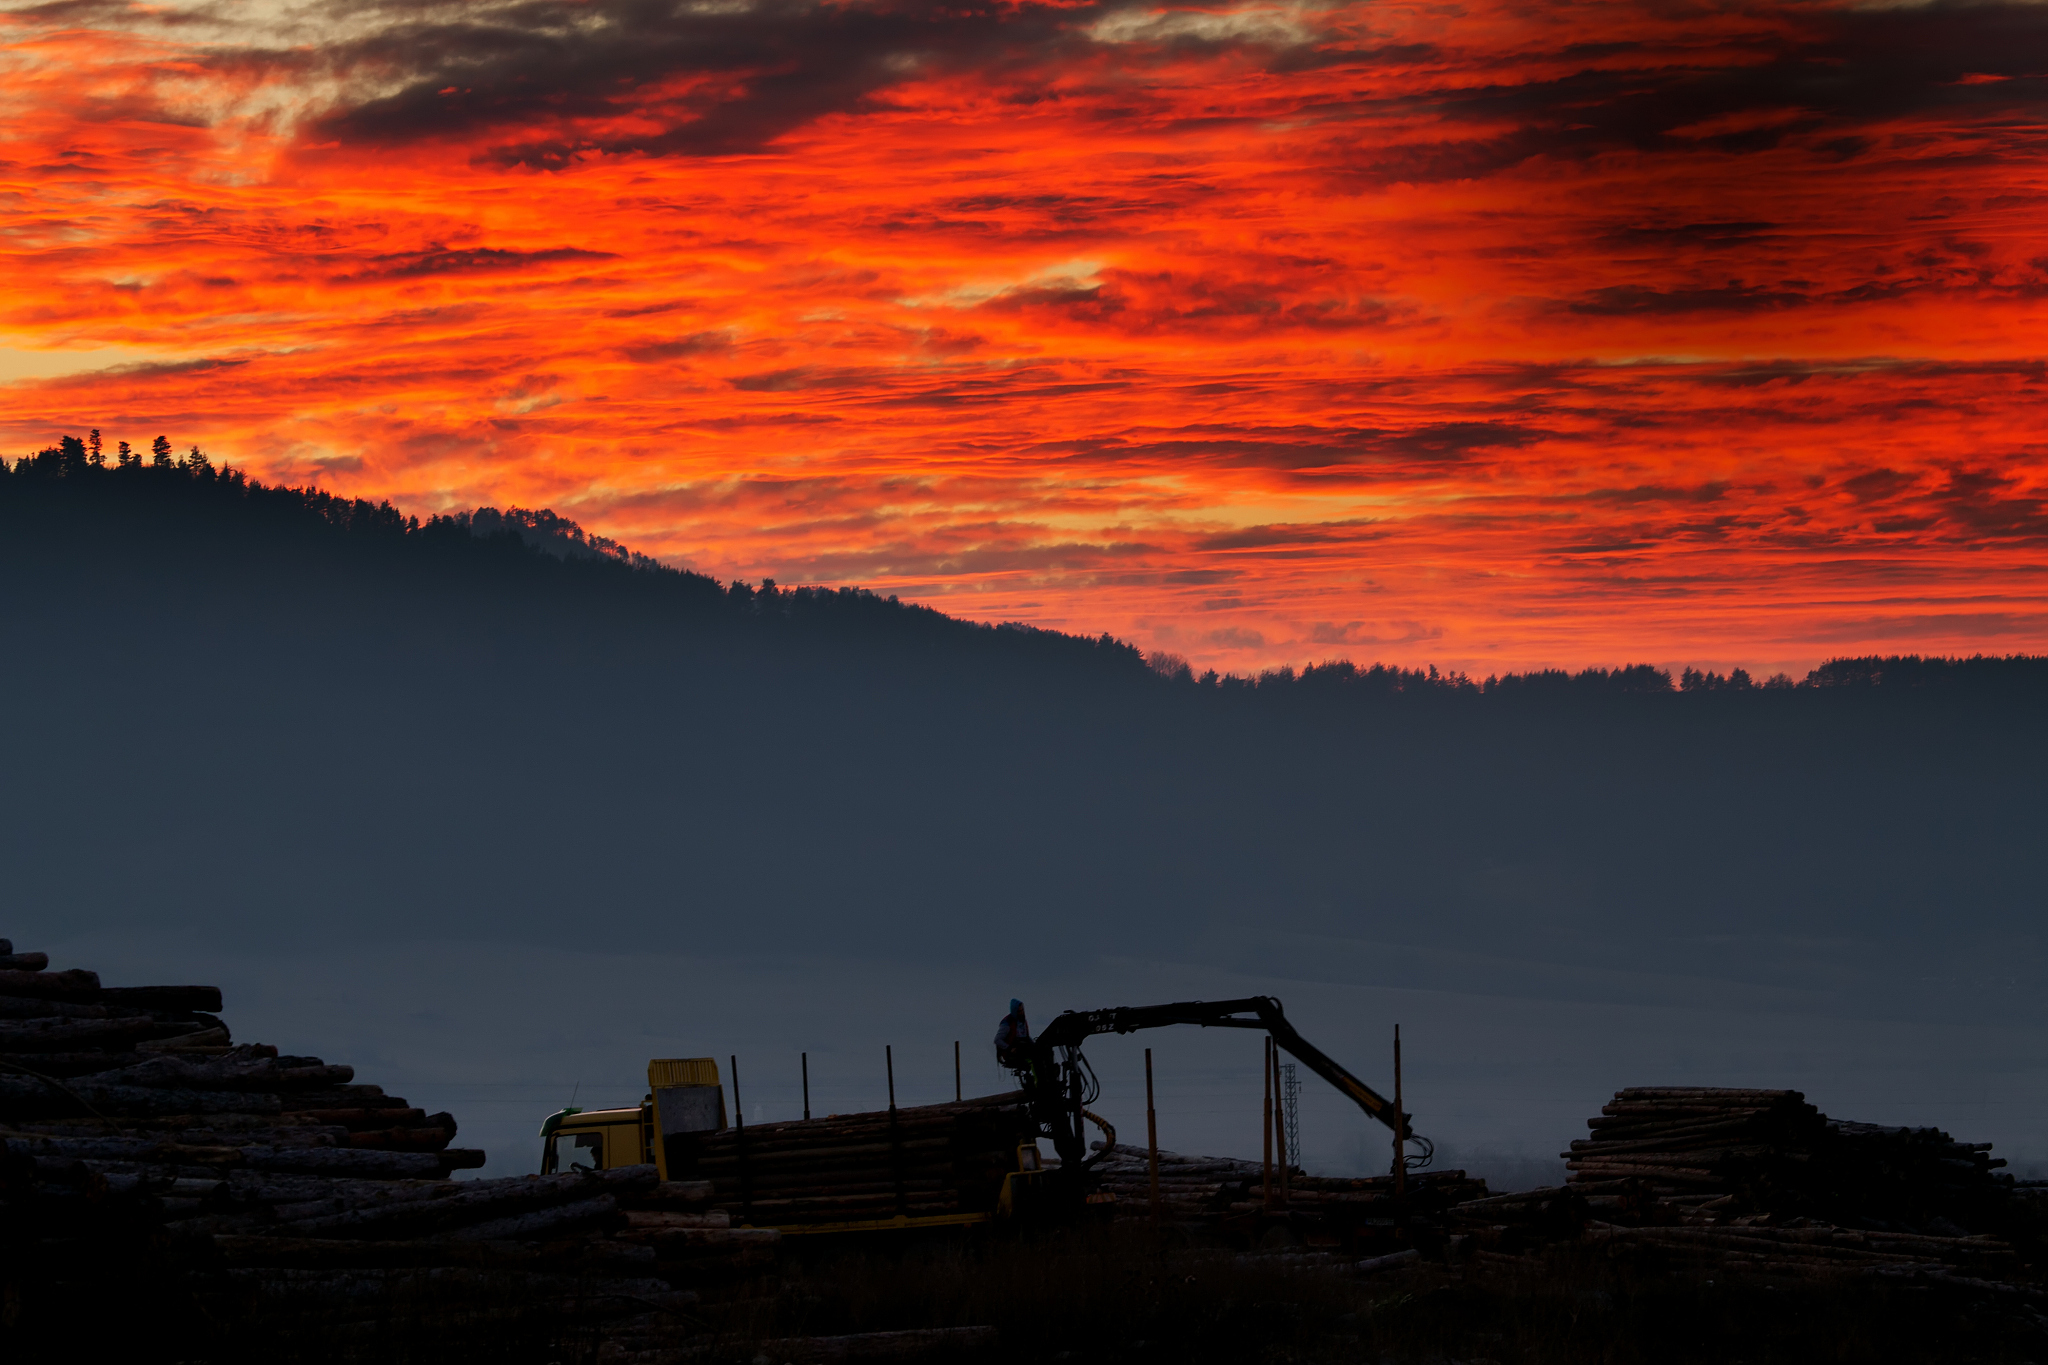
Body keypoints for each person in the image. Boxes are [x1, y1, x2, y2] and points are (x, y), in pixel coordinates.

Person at [994, 998, 1032, 1071]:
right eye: (1019, 1011)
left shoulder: (1023, 1021)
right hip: (1012, 1050)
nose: (1021, 1013)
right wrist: (1009, 1048)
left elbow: (1026, 1036)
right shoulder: (1007, 1023)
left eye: (1022, 1011)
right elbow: (997, 1040)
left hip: (1023, 1046)